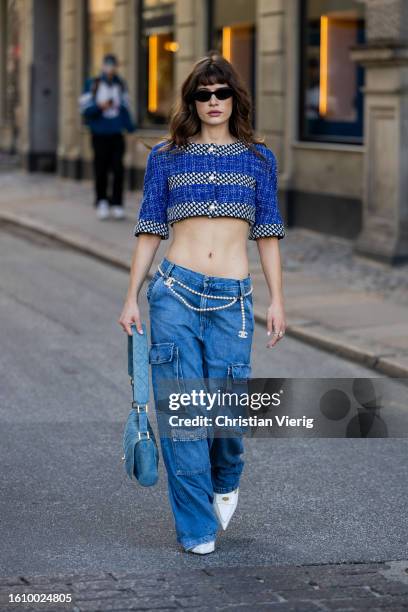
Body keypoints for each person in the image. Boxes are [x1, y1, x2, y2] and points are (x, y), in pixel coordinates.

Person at [118, 50, 286, 555]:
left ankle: (226, 473)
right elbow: (150, 229)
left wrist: (278, 300)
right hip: (174, 293)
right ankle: (195, 526)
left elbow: (269, 234)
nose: (213, 101)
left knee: (226, 410)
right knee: (184, 414)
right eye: (203, 94)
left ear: (235, 98)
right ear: (192, 101)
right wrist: (131, 297)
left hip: (232, 299)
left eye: (221, 92)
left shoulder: (259, 159)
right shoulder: (165, 157)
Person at [79, 53, 136, 220]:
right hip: (99, 134)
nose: (111, 68)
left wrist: (131, 129)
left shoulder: (120, 84)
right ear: (103, 67)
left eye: (113, 65)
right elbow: (85, 109)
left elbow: (125, 108)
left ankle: (117, 203)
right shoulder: (93, 84)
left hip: (117, 134)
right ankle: (101, 201)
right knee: (101, 169)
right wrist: (100, 107)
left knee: (118, 169)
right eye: (108, 65)